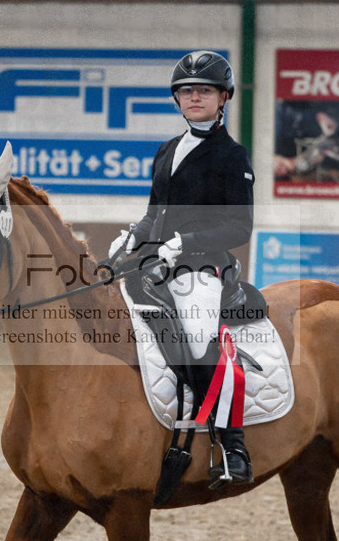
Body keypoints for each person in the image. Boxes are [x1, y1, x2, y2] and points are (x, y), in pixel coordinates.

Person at [109, 50, 255, 488]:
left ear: (223, 97)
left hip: (205, 267)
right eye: (187, 90)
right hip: (160, 262)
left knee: (195, 333)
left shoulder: (232, 155)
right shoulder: (167, 150)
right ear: (177, 99)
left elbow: (239, 225)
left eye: (204, 90)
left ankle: (232, 446)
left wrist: (186, 242)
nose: (194, 97)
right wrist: (135, 236)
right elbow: (157, 212)